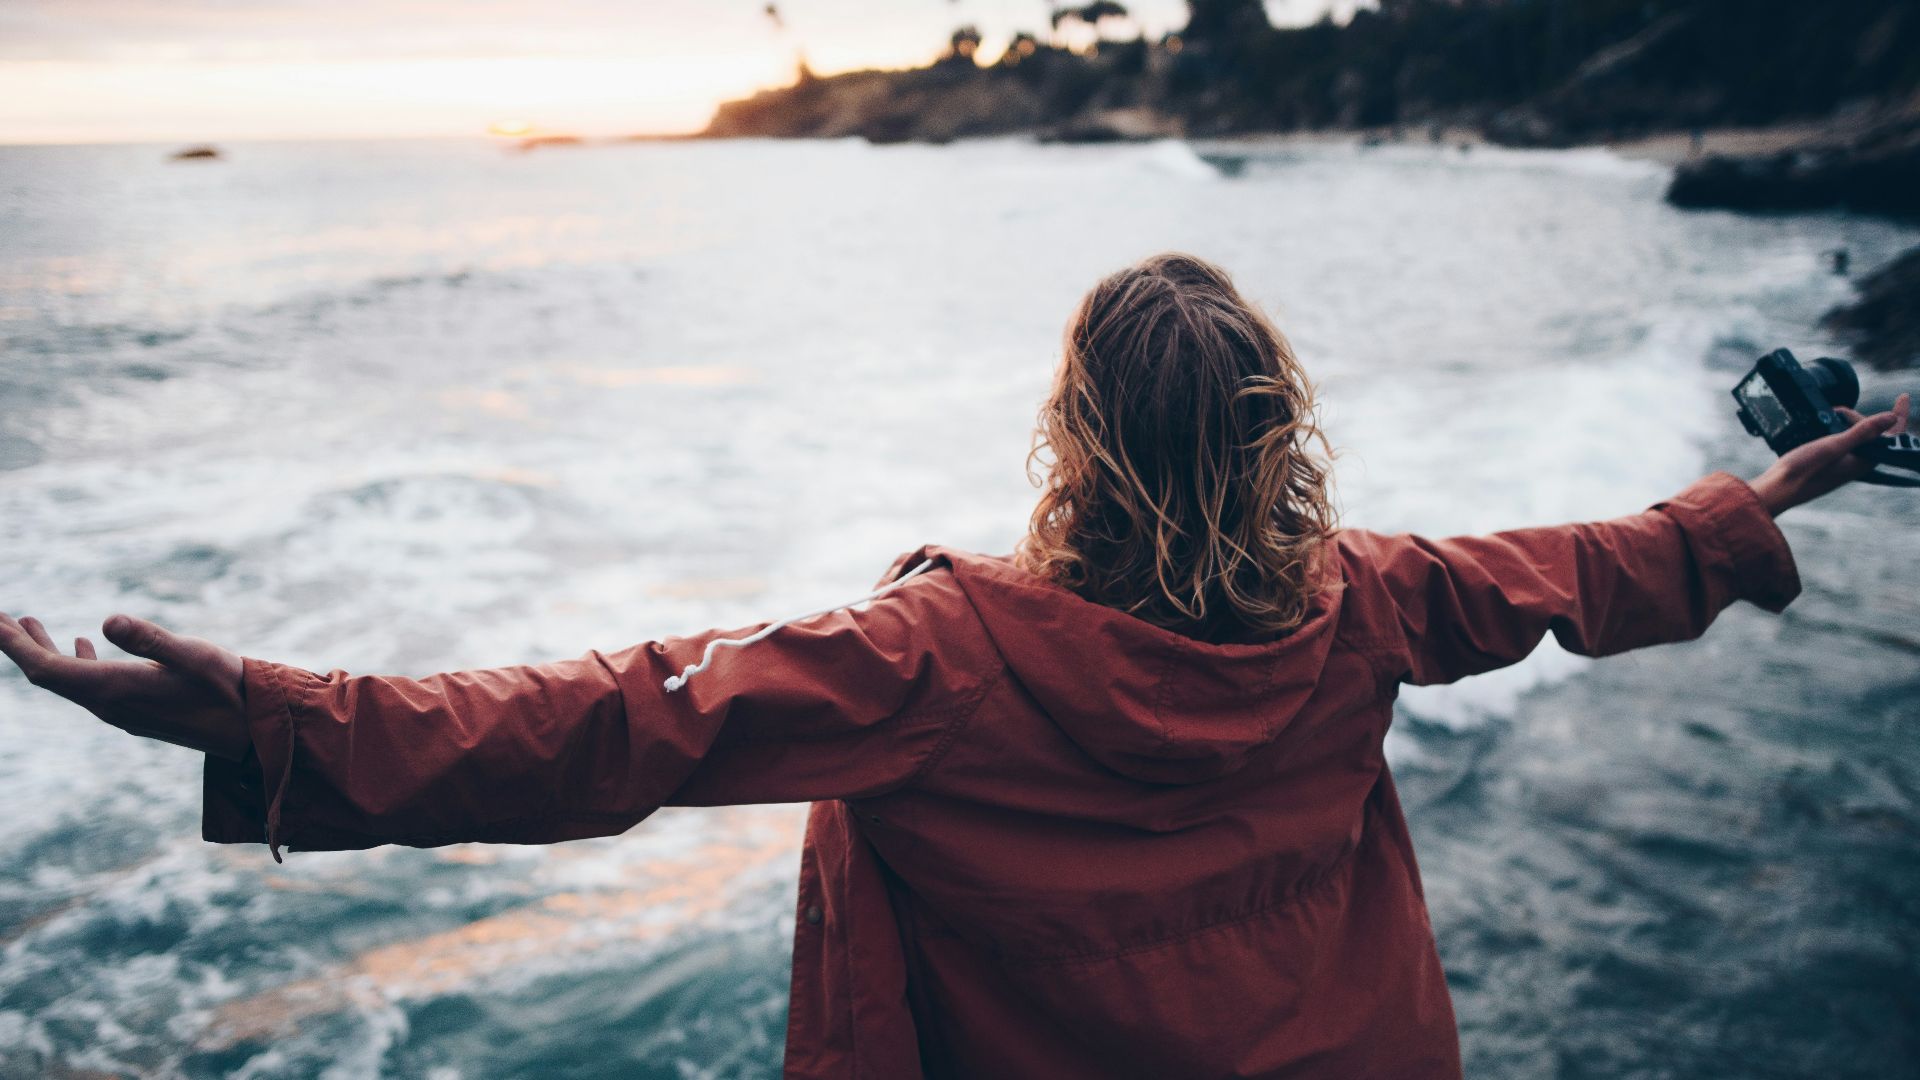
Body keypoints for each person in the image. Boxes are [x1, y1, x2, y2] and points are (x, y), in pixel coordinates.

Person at [1, 253, 1909, 1078]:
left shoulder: (941, 659)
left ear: (1073, 434)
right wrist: (1776, 493)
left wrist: (267, 715)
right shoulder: (1365, 601)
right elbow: (1583, 569)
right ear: (1274, 435)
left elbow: (600, 729)